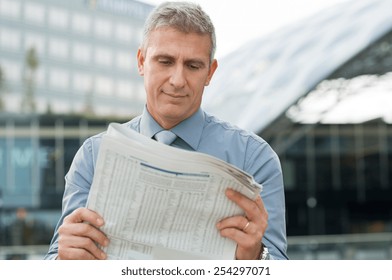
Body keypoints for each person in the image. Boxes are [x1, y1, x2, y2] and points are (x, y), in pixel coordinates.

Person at [45, 1, 288, 260]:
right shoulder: (93, 156)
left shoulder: (254, 159)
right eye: (165, 61)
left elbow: (279, 263)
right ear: (141, 61)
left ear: (210, 72)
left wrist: (255, 256)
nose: (177, 80)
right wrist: (63, 261)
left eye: (193, 66)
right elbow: (55, 258)